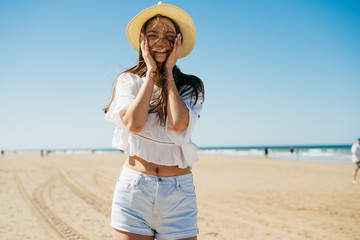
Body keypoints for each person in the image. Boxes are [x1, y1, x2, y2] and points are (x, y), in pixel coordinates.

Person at [104, 2, 204, 240]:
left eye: (169, 36)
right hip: (134, 190)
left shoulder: (190, 86)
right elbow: (134, 124)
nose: (161, 42)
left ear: (177, 43)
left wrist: (168, 72)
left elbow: (179, 124)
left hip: (178, 195)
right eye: (153, 35)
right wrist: (150, 72)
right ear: (143, 41)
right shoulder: (128, 80)